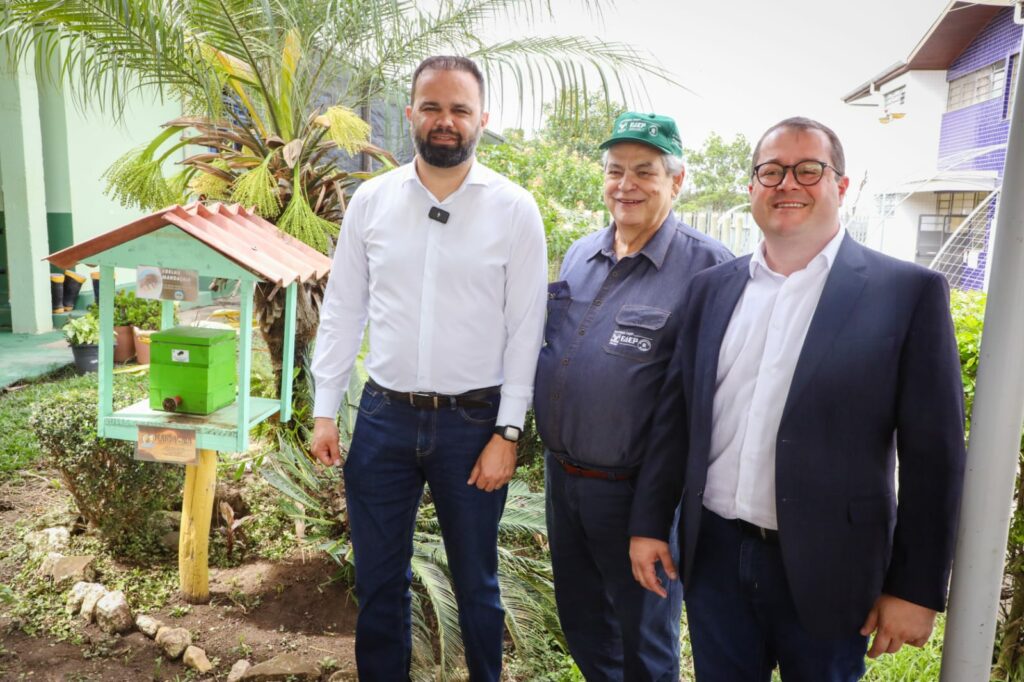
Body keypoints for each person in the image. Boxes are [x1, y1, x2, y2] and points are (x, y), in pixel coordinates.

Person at [629, 117, 966, 681]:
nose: (788, 183)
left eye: (809, 170)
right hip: (714, 555)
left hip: (833, 567)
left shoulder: (907, 295)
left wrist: (914, 588)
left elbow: (935, 457)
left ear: (841, 186)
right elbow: (677, 418)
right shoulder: (712, 288)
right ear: (752, 187)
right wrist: (648, 523)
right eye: (771, 171)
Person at [309, 55, 547, 681]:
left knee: (477, 585)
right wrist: (325, 408)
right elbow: (343, 309)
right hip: (385, 420)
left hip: (474, 426)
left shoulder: (514, 208)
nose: (446, 121)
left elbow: (527, 329)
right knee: (379, 583)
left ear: (482, 120)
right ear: (411, 114)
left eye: (460, 110)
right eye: (433, 107)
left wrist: (509, 432)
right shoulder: (372, 202)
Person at [534, 111, 732, 681]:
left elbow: (707, 401)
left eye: (644, 171)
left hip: (639, 494)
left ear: (677, 179)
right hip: (563, 481)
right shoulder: (580, 253)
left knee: (645, 641)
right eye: (615, 170)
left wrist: (659, 510)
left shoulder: (709, 268)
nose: (626, 184)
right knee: (582, 624)